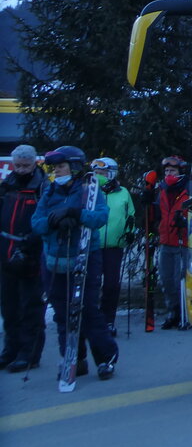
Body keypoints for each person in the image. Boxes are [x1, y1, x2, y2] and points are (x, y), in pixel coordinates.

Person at [31, 145, 119, 381]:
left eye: (61, 166)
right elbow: (36, 223)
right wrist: (53, 223)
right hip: (55, 260)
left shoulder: (88, 191)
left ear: (75, 167)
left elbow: (100, 217)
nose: (57, 171)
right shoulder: (49, 191)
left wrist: (76, 214)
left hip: (84, 258)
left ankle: (105, 358)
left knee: (87, 310)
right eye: (55, 168)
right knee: (63, 313)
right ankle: (74, 359)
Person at [0, 145, 47, 374]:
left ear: (34, 163)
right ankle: (11, 349)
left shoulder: (42, 187)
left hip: (31, 254)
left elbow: (45, 220)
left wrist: (32, 242)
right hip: (6, 252)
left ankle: (29, 354)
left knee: (31, 307)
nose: (20, 169)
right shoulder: (7, 184)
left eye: (25, 165)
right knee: (9, 307)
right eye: (17, 165)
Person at [90, 157, 137, 336]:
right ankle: (91, 319)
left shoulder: (122, 192)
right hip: (92, 246)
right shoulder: (90, 191)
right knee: (92, 284)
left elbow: (130, 214)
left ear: (111, 174)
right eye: (96, 173)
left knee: (111, 285)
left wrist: (130, 232)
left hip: (114, 246)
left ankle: (108, 319)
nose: (98, 176)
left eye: (102, 173)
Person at [156, 155, 190, 330]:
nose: (169, 174)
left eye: (173, 171)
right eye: (167, 171)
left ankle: (186, 313)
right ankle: (173, 311)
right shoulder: (163, 190)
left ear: (180, 172)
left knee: (180, 279)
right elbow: (157, 213)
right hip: (166, 240)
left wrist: (185, 221)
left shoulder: (187, 191)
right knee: (166, 279)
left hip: (181, 241)